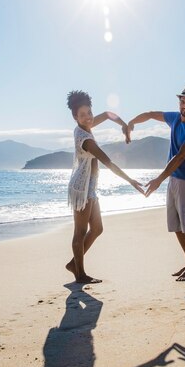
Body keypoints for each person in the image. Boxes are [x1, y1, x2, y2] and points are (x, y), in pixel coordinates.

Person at [126, 86, 185, 281]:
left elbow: (179, 158)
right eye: (182, 101)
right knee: (177, 226)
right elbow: (151, 114)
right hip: (174, 180)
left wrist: (158, 180)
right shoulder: (174, 118)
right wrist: (131, 123)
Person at [66, 90, 144, 284]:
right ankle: (80, 274)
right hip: (81, 189)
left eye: (89, 113)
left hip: (90, 186)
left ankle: (73, 264)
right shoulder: (86, 139)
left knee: (97, 228)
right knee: (80, 232)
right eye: (82, 115)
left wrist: (124, 125)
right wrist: (131, 181)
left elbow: (109, 114)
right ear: (75, 116)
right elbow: (108, 162)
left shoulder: (88, 123)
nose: (88, 118)